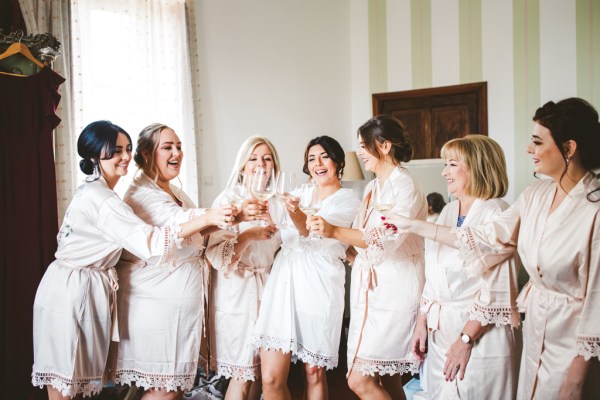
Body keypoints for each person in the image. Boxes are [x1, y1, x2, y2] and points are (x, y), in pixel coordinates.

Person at [386, 98, 600, 399]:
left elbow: (596, 304)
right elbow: (487, 238)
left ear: (569, 148)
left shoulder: (594, 209)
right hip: (536, 331)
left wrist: (577, 381)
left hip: (573, 341)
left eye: (537, 142)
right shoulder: (535, 195)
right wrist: (415, 225)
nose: (529, 149)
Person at [31, 121, 233, 400]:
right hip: (74, 291)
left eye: (127, 149)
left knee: (74, 384)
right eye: (115, 151)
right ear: (94, 157)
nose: (125, 157)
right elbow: (149, 241)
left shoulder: (100, 192)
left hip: (81, 285)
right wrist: (209, 217)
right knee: (64, 386)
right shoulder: (103, 200)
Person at [109, 123, 234, 400]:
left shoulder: (173, 190)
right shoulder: (141, 194)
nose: (177, 152)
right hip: (156, 304)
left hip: (176, 305)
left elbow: (196, 230)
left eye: (178, 146)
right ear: (145, 153)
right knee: (165, 389)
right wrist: (219, 214)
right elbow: (178, 224)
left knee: (172, 387)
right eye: (167, 147)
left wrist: (236, 218)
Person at [308, 116, 427, 400]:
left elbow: (385, 238)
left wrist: (335, 230)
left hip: (394, 289)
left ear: (384, 146)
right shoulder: (374, 187)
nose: (359, 152)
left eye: (364, 146)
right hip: (370, 290)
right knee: (389, 379)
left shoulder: (404, 186)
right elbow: (363, 238)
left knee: (358, 380)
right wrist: (344, 246)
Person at [252, 136, 361, 399]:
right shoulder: (298, 194)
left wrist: (294, 212)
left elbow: (309, 230)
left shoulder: (349, 200)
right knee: (270, 377)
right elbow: (273, 224)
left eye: (324, 156)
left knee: (314, 371)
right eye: (311, 159)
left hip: (320, 284)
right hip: (285, 281)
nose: (318, 164)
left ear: (337, 161)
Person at [413, 135, 521, 399]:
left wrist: (465, 340)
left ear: (478, 166)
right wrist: (422, 320)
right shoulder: (448, 212)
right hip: (440, 333)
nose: (444, 172)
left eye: (451, 164)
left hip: (480, 334)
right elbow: (434, 271)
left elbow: (497, 288)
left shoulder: (497, 214)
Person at [205, 136, 282, 400]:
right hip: (237, 291)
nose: (260, 164)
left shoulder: (279, 202)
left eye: (266, 158)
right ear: (242, 166)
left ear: (274, 165)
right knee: (243, 373)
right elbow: (215, 255)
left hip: (270, 290)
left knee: (262, 372)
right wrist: (249, 235)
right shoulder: (227, 200)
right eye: (253, 158)